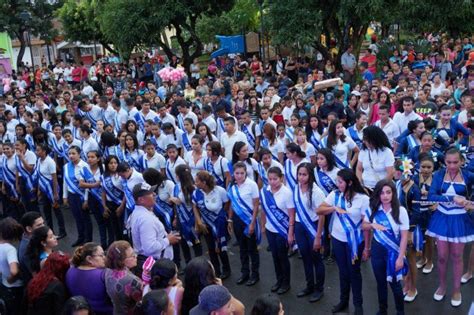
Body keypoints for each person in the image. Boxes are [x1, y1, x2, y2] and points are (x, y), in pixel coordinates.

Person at [316, 169, 370, 315]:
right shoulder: (335, 195)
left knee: (354, 272)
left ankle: (358, 304)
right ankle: (343, 301)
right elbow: (319, 210)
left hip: (355, 241)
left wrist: (367, 247)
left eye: (340, 181)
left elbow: (366, 225)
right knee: (343, 272)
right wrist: (333, 208)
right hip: (338, 239)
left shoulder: (363, 199)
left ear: (350, 182)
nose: (337, 184)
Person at [426, 148, 473, 307]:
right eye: (448, 162)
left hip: (460, 219)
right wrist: (453, 197)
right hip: (442, 218)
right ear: (444, 161)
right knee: (441, 256)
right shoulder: (439, 174)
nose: (452, 165)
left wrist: (469, 202)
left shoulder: (468, 175)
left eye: (455, 162)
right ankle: (442, 286)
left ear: (461, 161)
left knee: (457, 256)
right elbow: (431, 196)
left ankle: (456, 290)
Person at [363, 180, 409, 315]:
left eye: (388, 192)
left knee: (395, 284)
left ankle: (400, 312)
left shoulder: (401, 211)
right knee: (380, 282)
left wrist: (400, 258)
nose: (385, 196)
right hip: (377, 250)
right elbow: (363, 225)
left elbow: (404, 237)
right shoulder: (373, 208)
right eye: (382, 193)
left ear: (393, 193)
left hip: (393, 252)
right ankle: (383, 310)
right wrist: (373, 225)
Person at [129, 182, 181, 275]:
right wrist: (168, 240)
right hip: (156, 266)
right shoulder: (146, 219)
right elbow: (149, 248)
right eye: (150, 193)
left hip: (151, 263)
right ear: (141, 200)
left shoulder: (139, 213)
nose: (154, 194)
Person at [292, 163, 326, 303]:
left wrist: (318, 236)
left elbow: (322, 215)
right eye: (299, 174)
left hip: (313, 227)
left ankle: (319, 289)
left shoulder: (317, 192)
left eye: (304, 174)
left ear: (310, 175)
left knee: (316, 259)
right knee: (305, 257)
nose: (301, 177)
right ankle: (309, 286)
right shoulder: (296, 188)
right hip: (300, 227)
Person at [260, 167, 295, 295]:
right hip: (270, 229)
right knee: (275, 256)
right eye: (270, 179)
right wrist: (263, 226)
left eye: (275, 179)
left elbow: (292, 215)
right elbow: (263, 210)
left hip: (283, 230)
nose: (272, 182)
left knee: (283, 257)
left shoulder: (287, 193)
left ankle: (286, 283)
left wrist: (291, 233)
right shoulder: (264, 191)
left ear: (281, 178)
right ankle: (279, 280)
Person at [192, 171, 232, 279]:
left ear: (204, 182)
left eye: (197, 181)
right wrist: (199, 222)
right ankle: (216, 270)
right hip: (206, 225)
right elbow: (194, 206)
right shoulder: (197, 193)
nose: (195, 183)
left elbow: (227, 202)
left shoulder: (219, 191)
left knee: (221, 248)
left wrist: (224, 217)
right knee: (211, 249)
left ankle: (226, 269)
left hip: (219, 224)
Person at [227, 162, 261, 286]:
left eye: (242, 173)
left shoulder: (252, 185)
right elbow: (232, 203)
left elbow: (256, 205)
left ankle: (255, 274)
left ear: (246, 172)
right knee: (242, 248)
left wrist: (252, 223)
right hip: (237, 220)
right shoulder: (232, 185)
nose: (239, 176)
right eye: (237, 173)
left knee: (252, 249)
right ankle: (245, 273)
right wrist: (230, 220)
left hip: (249, 219)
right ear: (233, 173)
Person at [65, 242, 113, 315]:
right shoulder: (104, 275)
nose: (104, 257)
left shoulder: (70, 271)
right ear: (89, 259)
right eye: (101, 255)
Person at [170, 164, 202, 263]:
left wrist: (173, 199)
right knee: (184, 243)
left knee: (196, 242)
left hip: (192, 218)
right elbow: (176, 205)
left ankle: (199, 263)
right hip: (181, 219)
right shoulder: (176, 186)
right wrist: (175, 217)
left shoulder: (192, 187)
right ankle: (188, 263)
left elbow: (183, 202)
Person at [63, 146, 92, 247]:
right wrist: (65, 196)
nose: (71, 156)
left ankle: (88, 240)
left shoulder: (84, 166)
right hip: (72, 195)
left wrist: (86, 200)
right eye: (69, 153)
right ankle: (81, 238)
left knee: (85, 218)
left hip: (82, 196)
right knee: (77, 218)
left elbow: (89, 183)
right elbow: (65, 182)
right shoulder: (66, 166)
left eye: (73, 153)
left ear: (79, 154)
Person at [35, 143, 66, 239]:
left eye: (38, 150)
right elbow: (39, 176)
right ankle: (49, 231)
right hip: (44, 190)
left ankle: (62, 231)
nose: (36, 152)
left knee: (57, 211)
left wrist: (56, 193)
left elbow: (54, 178)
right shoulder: (39, 160)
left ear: (44, 151)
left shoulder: (50, 162)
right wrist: (39, 190)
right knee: (46, 212)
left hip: (51, 190)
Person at [104, 240, 143, 315]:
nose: (136, 256)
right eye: (132, 255)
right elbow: (144, 300)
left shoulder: (108, 271)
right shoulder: (132, 280)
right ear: (121, 261)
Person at [356, 126, 395, 192]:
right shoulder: (363, 151)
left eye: (366, 139)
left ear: (374, 139)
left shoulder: (387, 152)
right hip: (365, 187)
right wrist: (360, 184)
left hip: (381, 188)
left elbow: (390, 173)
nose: (364, 141)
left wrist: (380, 187)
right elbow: (359, 169)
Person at [0, 217, 24, 315]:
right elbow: (14, 271)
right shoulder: (10, 250)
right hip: (15, 287)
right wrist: (11, 279)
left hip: (4, 285)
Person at [18, 212, 45, 283]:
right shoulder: (27, 249)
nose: (44, 227)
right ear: (29, 229)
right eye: (39, 225)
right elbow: (37, 276)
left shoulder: (33, 239)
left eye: (43, 223)